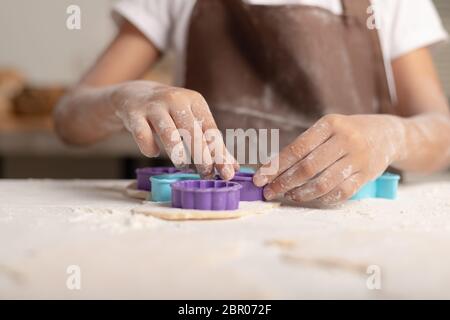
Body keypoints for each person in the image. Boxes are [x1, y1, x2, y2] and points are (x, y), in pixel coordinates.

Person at [54, 0, 450, 205]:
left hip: (348, 227)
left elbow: (442, 135)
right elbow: (70, 120)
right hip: (201, 238)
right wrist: (126, 95)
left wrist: (395, 134)